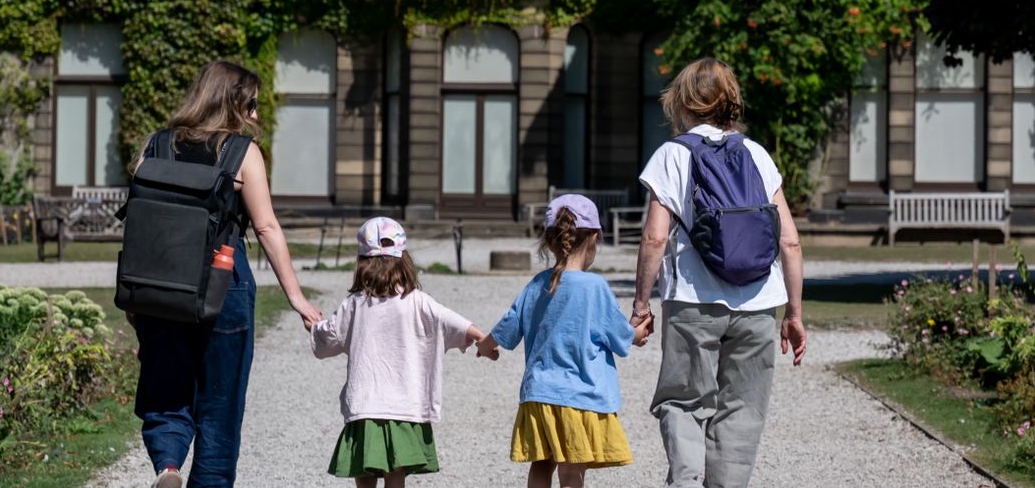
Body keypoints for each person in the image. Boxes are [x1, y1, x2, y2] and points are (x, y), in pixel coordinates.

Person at [132, 60, 323, 488]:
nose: (256, 115)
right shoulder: (241, 152)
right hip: (225, 285)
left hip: (161, 283)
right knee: (220, 404)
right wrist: (296, 298)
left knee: (165, 388)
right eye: (252, 104)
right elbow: (267, 226)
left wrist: (134, 297)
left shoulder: (156, 145)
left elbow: (139, 223)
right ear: (232, 102)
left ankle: (167, 466)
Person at [629, 57, 806, 488]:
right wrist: (795, 315)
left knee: (683, 401)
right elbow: (790, 241)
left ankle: (687, 482)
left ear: (683, 103)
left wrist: (640, 304)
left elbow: (654, 238)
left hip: (693, 298)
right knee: (743, 409)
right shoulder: (757, 154)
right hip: (760, 303)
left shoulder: (673, 154)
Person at [479, 194, 650, 488]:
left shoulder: (536, 284)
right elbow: (621, 337)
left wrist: (486, 345)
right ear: (595, 237)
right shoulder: (594, 286)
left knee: (542, 465)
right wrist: (638, 332)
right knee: (571, 472)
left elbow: (509, 324)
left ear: (549, 241)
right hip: (579, 397)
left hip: (539, 395)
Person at [311, 216, 491, 488]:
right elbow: (449, 320)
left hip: (366, 405)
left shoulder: (355, 304)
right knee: (396, 475)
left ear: (361, 262)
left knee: (365, 471)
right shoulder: (418, 301)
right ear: (404, 259)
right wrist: (479, 336)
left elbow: (330, 337)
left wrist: (313, 326)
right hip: (404, 405)